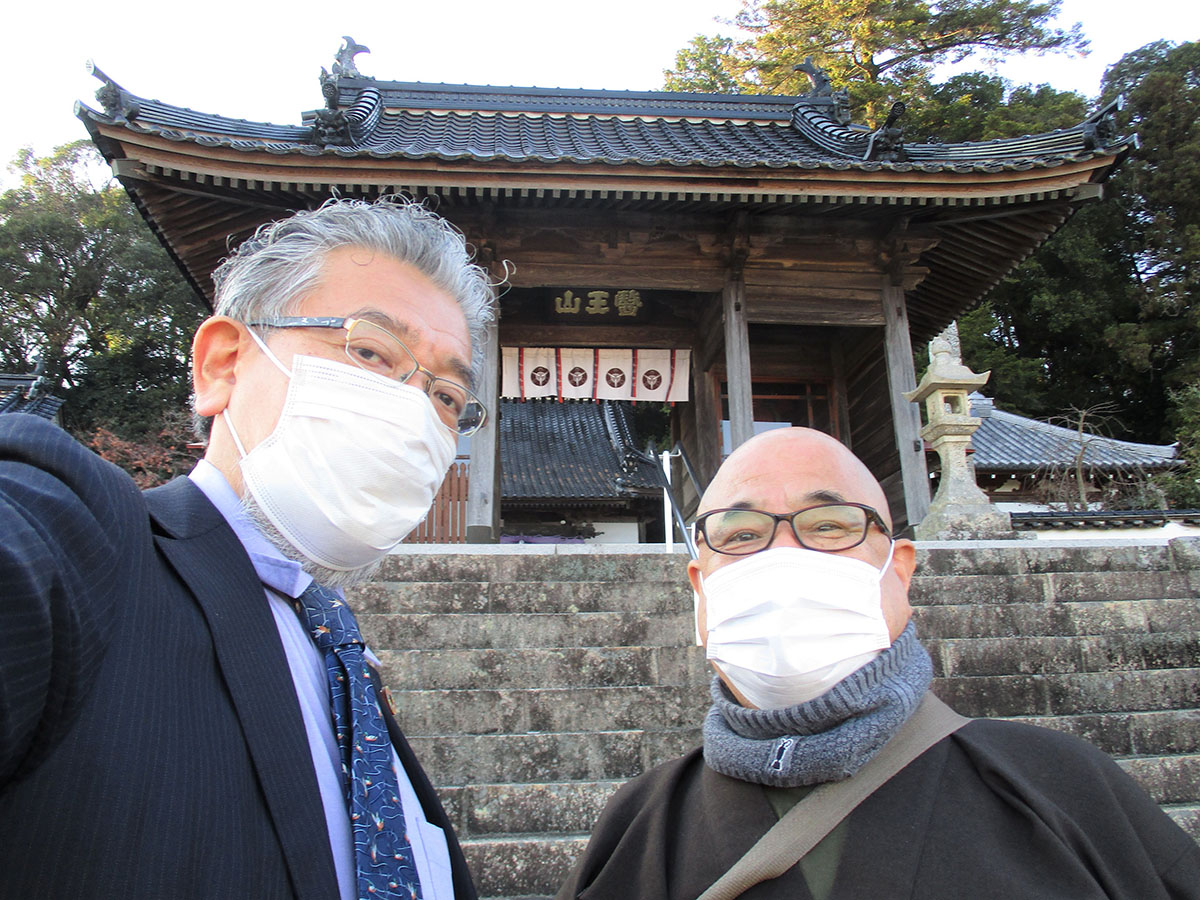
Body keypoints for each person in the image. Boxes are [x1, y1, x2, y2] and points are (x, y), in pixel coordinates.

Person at [0, 197, 496, 900]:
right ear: (222, 365)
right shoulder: (82, 543)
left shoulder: (339, 655)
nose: (416, 411)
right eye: (369, 351)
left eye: (447, 397)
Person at [557, 427, 1200, 900]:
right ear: (700, 590)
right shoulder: (637, 825)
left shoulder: (1066, 788)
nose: (784, 554)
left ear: (900, 571)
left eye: (831, 525)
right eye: (742, 534)